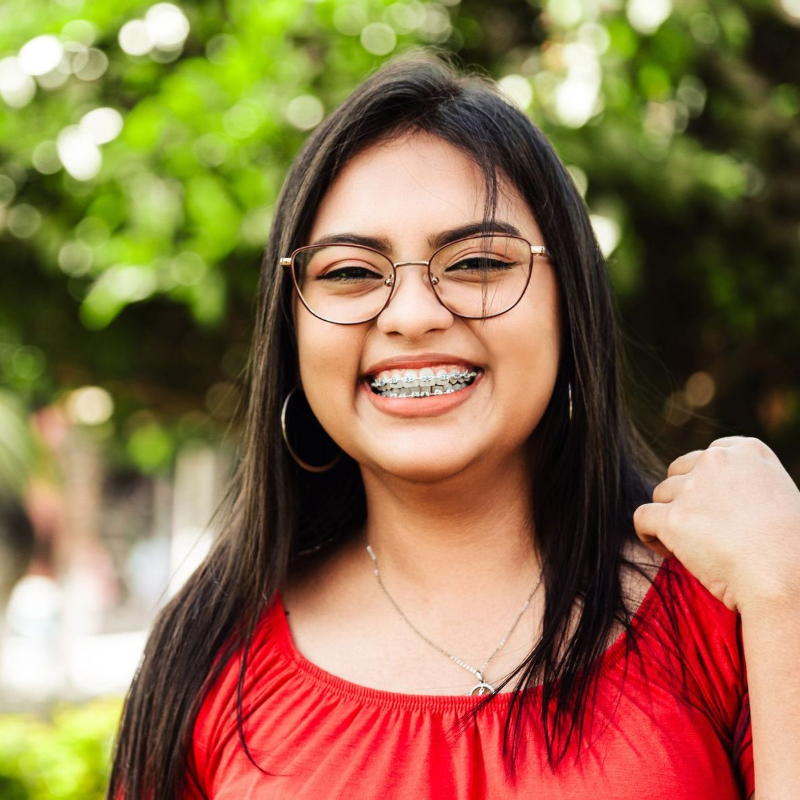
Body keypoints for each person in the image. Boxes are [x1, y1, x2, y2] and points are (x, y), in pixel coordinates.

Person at [108, 49, 800, 799]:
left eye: (475, 263)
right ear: (291, 330)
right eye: (349, 272)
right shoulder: (211, 659)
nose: (411, 316)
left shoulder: (729, 606)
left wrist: (787, 589)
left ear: (570, 305)